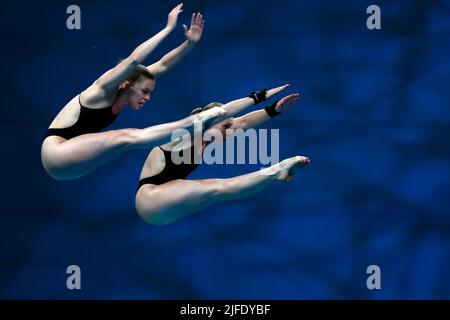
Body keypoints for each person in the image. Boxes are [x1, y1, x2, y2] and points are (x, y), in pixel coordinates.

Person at [41, 4, 222, 180]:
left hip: (73, 167)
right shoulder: (101, 90)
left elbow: (163, 65)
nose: (147, 97)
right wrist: (168, 29)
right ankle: (193, 121)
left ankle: (191, 124)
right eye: (144, 91)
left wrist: (189, 44)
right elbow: (134, 60)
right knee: (127, 137)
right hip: (57, 152)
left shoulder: (131, 83)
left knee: (124, 144)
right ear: (128, 84)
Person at [135, 84, 311, 225]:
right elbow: (225, 112)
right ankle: (276, 171)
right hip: (149, 198)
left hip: (164, 213)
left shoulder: (207, 139)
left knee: (220, 193)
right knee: (217, 186)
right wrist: (260, 96)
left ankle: (274, 176)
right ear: (209, 121)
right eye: (225, 127)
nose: (229, 132)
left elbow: (243, 122)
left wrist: (273, 110)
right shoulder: (186, 134)